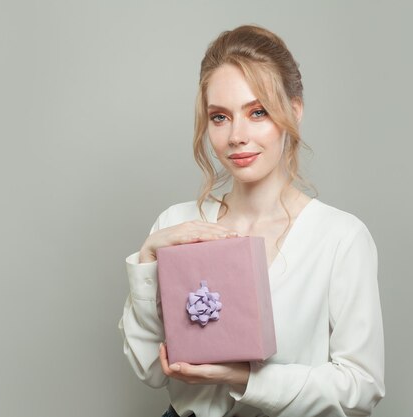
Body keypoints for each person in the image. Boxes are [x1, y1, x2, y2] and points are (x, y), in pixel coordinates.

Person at [119, 25, 385, 417]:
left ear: (294, 111)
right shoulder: (176, 222)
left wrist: (245, 379)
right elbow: (149, 370)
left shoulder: (340, 238)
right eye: (220, 117)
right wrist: (146, 258)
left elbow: (362, 388)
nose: (237, 136)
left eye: (257, 112)